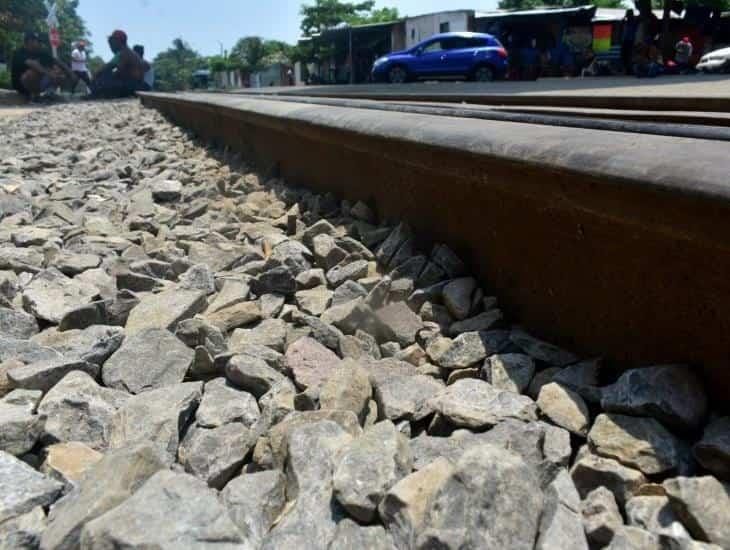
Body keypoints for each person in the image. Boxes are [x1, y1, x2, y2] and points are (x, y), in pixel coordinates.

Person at [11, 31, 75, 102]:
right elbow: (32, 63)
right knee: (32, 72)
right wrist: (48, 73)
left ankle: (50, 92)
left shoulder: (40, 52)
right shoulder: (19, 53)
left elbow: (57, 61)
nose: (40, 43)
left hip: (38, 82)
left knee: (59, 71)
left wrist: (70, 72)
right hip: (21, 85)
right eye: (38, 41)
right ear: (30, 41)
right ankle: (33, 95)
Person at [88, 30, 150, 99]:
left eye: (111, 43)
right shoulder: (129, 52)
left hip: (133, 86)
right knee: (105, 76)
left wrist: (95, 78)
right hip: (139, 85)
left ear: (118, 42)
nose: (110, 46)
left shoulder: (123, 53)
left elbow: (108, 68)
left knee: (103, 77)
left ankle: (99, 94)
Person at [621, 10, 638, 74]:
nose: (628, 16)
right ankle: (626, 69)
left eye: (629, 14)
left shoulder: (634, 22)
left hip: (630, 40)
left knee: (629, 55)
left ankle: (630, 69)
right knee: (624, 56)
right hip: (625, 41)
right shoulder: (625, 22)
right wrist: (624, 17)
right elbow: (621, 23)